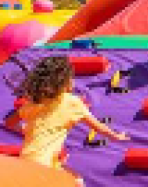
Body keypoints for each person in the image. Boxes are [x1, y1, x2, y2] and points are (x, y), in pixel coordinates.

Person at [4, 56, 129, 184]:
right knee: (77, 181)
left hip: (27, 161)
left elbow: (9, 122)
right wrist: (116, 136)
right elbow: (98, 126)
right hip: (44, 167)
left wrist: (27, 130)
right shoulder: (72, 103)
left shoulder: (34, 103)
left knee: (76, 179)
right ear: (65, 82)